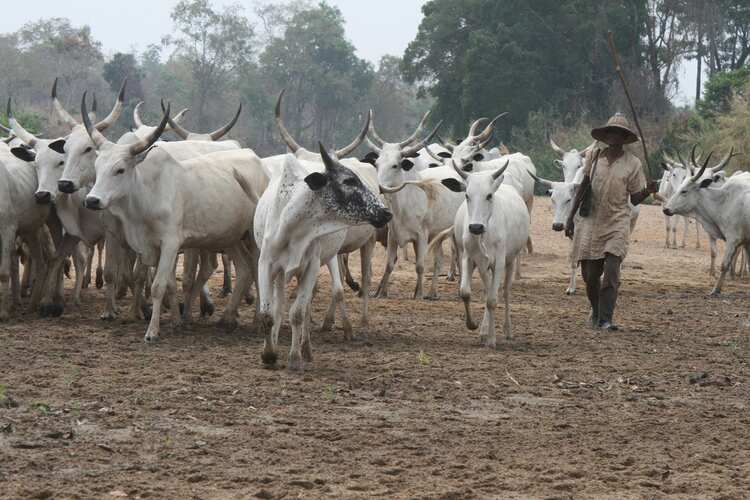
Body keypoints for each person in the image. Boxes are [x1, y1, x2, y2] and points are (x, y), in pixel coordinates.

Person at [565, 113, 658, 331]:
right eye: (611, 132)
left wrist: (648, 190)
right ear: (606, 135)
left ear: (625, 138)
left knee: (612, 271)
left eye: (619, 133)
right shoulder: (594, 156)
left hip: (617, 220)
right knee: (589, 275)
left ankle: (606, 318)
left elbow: (634, 198)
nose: (614, 136)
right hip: (590, 220)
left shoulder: (633, 163)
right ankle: (596, 311)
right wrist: (570, 217)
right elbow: (583, 186)